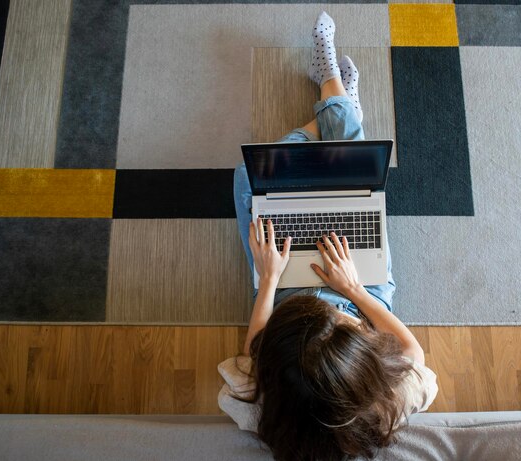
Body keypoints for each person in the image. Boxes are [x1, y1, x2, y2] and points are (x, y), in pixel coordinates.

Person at [218, 11, 438, 461]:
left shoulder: (255, 403)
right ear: (361, 357)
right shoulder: (387, 402)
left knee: (248, 179)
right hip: (363, 288)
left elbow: (254, 347)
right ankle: (334, 96)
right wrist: (353, 293)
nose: (329, 310)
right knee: (354, 181)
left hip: (282, 292)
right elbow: (412, 352)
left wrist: (270, 280)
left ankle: (333, 114)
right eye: (346, 329)